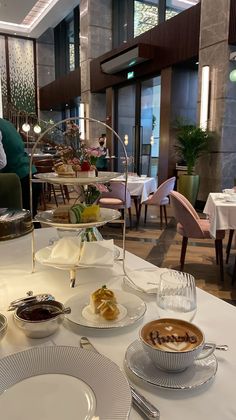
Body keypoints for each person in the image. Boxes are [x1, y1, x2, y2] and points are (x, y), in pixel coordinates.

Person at [0, 118, 41, 217]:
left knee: (22, 221)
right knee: (31, 218)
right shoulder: (7, 124)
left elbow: (1, 162)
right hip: (31, 173)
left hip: (18, 179)